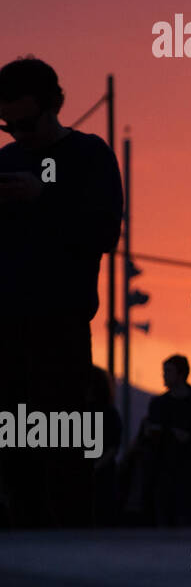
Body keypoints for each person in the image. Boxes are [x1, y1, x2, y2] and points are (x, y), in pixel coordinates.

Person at [0, 56, 123, 527]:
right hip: (6, 330)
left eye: (26, 123)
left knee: (62, 448)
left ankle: (71, 550)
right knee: (15, 451)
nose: (17, 134)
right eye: (7, 125)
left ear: (55, 106)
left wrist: (42, 198)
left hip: (60, 327)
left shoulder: (89, 157)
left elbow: (103, 234)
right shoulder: (5, 161)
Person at [141, 354, 191, 527]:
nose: (164, 376)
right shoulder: (158, 403)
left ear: (181, 374)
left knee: (187, 517)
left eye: (168, 371)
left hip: (190, 470)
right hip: (162, 469)